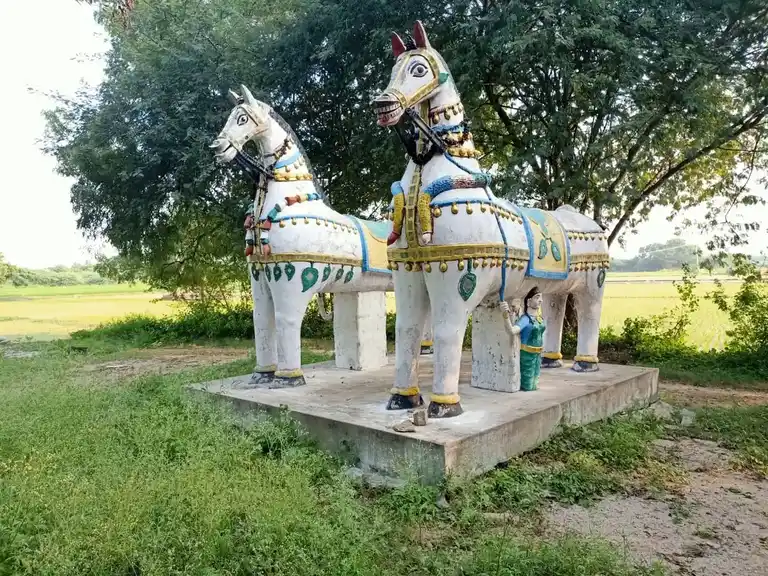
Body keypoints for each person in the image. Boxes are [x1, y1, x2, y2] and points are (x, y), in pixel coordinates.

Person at [500, 287, 546, 391]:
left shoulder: (539, 318)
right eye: (537, 297)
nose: (541, 300)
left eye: (541, 298)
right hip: (527, 356)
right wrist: (505, 315)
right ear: (529, 301)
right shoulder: (525, 319)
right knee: (528, 385)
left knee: (535, 384)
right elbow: (512, 331)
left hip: (538, 355)